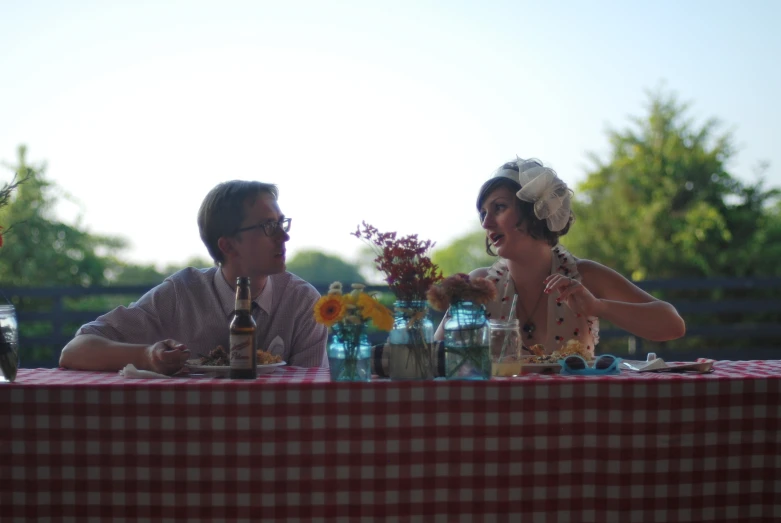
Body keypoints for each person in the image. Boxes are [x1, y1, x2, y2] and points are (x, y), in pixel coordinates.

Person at [60, 180, 328, 374]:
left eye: (281, 223)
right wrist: (146, 355)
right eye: (269, 226)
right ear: (228, 245)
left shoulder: (302, 303)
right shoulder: (181, 294)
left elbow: (313, 394)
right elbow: (75, 350)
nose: (285, 236)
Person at [435, 157, 685, 355]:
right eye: (482, 213)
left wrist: (597, 306)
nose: (486, 223)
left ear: (534, 211)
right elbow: (436, 357)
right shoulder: (479, 285)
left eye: (499, 207)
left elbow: (673, 325)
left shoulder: (585, 276)